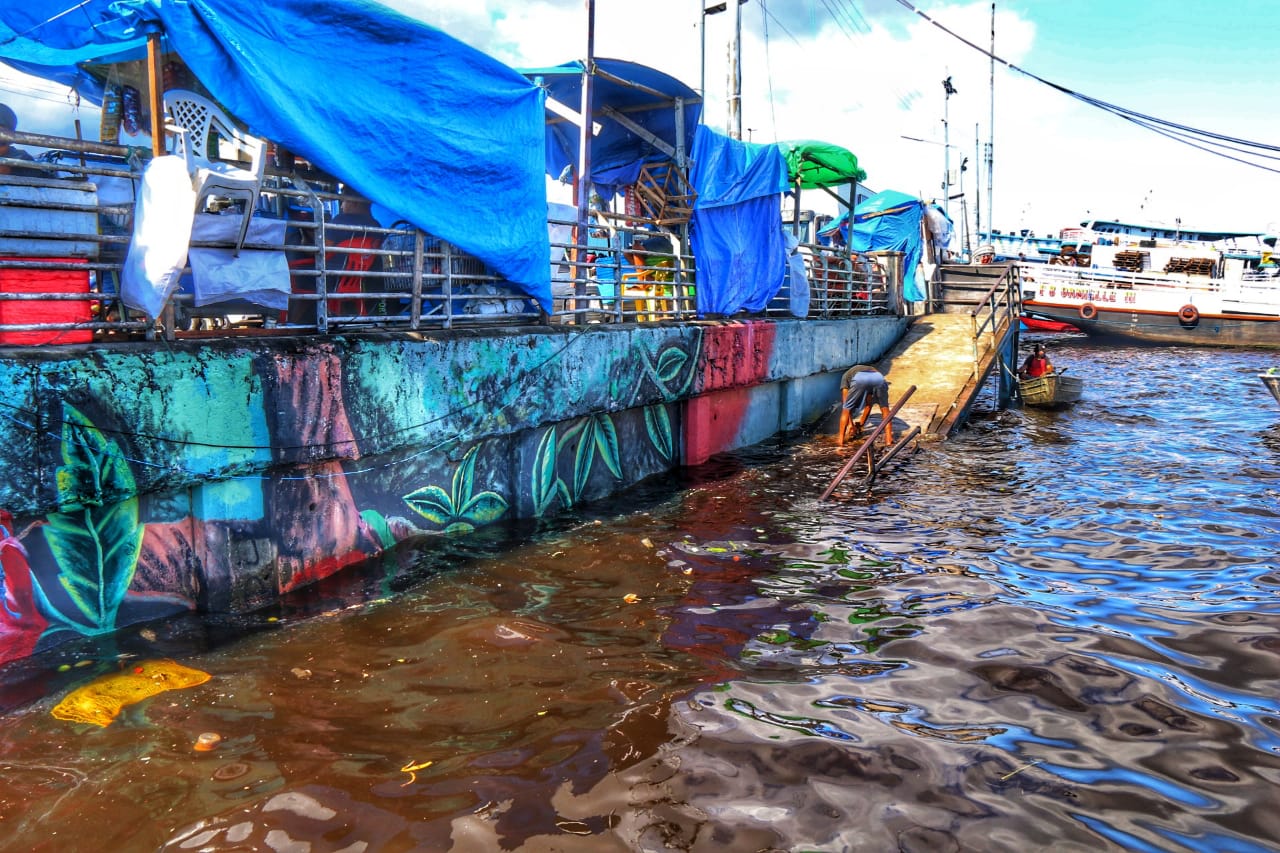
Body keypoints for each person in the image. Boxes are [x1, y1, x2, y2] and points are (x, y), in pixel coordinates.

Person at [838, 364, 894, 445]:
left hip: (860, 378)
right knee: (885, 409)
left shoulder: (845, 377)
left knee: (846, 408)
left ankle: (840, 442)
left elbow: (846, 404)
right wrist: (861, 424)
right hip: (878, 377)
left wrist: (851, 425)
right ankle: (889, 439)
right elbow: (869, 404)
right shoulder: (869, 370)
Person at [0, 102, 42, 178]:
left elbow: (41, 175)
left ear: (10, 140)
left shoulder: (21, 157)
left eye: (2, 142)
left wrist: (11, 172)